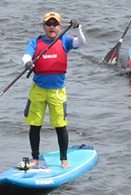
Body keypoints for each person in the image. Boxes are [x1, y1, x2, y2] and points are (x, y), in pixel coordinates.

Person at [21, 12, 85, 169]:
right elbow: (25, 56)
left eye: (55, 24)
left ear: (60, 27)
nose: (51, 27)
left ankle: (64, 159)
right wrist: (28, 63)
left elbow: (81, 42)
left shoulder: (65, 40)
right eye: (48, 24)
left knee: (60, 125)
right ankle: (35, 158)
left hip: (57, 91)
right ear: (44, 26)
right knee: (35, 125)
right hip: (38, 90)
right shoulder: (35, 42)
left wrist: (78, 28)